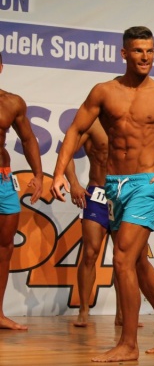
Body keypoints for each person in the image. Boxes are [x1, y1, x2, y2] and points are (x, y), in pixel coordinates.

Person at [51, 26, 154, 362]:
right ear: (124, 53)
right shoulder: (104, 92)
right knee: (138, 261)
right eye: (139, 51)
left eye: (150, 50)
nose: (146, 57)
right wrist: (59, 173)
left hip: (145, 184)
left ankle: (128, 344)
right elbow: (75, 129)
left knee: (122, 260)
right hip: (112, 186)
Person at [64, 119, 154, 327]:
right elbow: (66, 154)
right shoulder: (91, 125)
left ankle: (122, 314)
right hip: (98, 194)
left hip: (125, 197)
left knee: (126, 257)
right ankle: (84, 310)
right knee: (90, 252)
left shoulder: (130, 125)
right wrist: (73, 183)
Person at [0, 52, 43, 330]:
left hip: (3, 179)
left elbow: (28, 139)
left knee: (5, 246)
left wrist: (38, 174)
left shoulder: (11, 102)